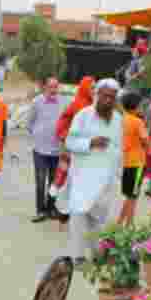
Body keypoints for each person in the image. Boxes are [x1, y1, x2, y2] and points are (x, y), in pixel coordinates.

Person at [55, 78, 123, 264]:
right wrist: (90, 143)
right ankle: (77, 255)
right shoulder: (83, 116)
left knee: (99, 218)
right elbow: (70, 142)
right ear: (97, 95)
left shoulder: (117, 119)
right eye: (105, 96)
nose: (108, 100)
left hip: (105, 178)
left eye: (112, 97)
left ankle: (96, 254)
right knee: (78, 215)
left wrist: (118, 173)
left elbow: (119, 148)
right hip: (83, 175)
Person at [50, 76, 96, 226]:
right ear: (84, 88)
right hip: (72, 150)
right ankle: (62, 211)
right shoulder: (76, 104)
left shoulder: (92, 106)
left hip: (84, 151)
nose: (93, 90)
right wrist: (64, 137)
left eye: (95, 88)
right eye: (91, 87)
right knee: (66, 179)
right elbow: (62, 122)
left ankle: (68, 212)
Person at [27, 77, 64, 222]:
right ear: (45, 88)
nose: (54, 90)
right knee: (41, 180)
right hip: (40, 150)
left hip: (56, 150)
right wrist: (38, 135)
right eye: (51, 87)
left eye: (56, 87)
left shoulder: (63, 102)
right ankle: (40, 211)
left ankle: (51, 208)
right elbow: (29, 123)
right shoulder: (37, 102)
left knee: (54, 182)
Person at [117, 91, 149, 226]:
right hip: (137, 162)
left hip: (125, 162)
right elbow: (146, 141)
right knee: (133, 197)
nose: (142, 108)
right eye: (141, 105)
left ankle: (119, 223)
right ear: (135, 106)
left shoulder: (121, 119)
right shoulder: (138, 122)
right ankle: (129, 224)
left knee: (129, 196)